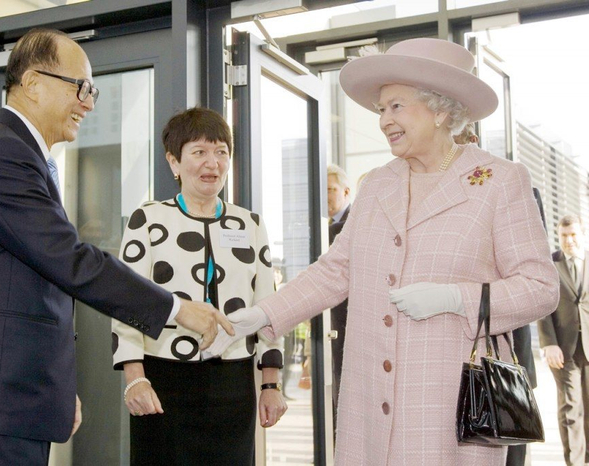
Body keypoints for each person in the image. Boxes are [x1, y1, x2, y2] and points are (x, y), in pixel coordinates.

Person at [206, 37, 559, 464]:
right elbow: (336, 270)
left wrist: (455, 298)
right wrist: (264, 314)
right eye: (381, 109)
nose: (384, 120)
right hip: (368, 402)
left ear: (440, 110)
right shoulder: (376, 184)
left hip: (450, 409)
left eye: (396, 106)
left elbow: (541, 287)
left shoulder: (498, 181)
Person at [0, 28, 230, 466]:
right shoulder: (2, 153)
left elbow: (32, 283)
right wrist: (176, 309)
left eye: (92, 91)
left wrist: (55, 390)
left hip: (5, 399)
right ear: (32, 83)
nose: (89, 103)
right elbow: (69, 260)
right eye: (81, 87)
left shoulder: (19, 153)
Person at [111, 107, 287, 465]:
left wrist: (270, 383)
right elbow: (127, 303)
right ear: (174, 162)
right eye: (199, 152)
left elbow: (268, 306)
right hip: (162, 379)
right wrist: (134, 378)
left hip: (233, 383)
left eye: (221, 151)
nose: (212, 163)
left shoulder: (250, 224)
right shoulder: (148, 219)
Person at [454, 123, 538, 466]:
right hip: (453, 344)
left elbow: (529, 275)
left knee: (510, 428)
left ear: (473, 141)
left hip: (500, 333)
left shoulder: (509, 184)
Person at [538, 214, 589, 466]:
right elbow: (544, 305)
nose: (569, 240)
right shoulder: (551, 264)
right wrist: (548, 343)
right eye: (564, 235)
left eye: (573, 235)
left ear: (582, 234)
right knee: (571, 406)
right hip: (563, 349)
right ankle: (575, 463)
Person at [326, 164, 351, 416]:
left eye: (330, 189)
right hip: (331, 323)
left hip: (347, 322)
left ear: (346, 191)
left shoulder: (349, 225)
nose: (325, 196)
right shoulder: (323, 227)